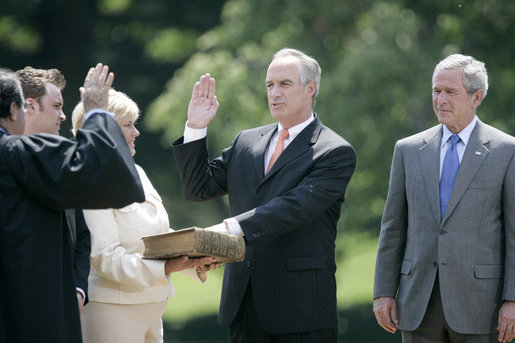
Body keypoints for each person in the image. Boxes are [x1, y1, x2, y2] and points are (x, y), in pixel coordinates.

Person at [172, 48, 356, 342]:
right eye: (270, 85)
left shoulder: (334, 151)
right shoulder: (246, 141)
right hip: (243, 306)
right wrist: (195, 127)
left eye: (285, 84)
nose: (274, 92)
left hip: (300, 311)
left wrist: (230, 227)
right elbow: (198, 188)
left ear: (310, 89)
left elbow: (294, 207)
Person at [373, 54, 515, 343]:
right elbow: (393, 227)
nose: (440, 99)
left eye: (450, 92)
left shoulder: (506, 151)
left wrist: (512, 300)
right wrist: (383, 292)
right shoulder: (407, 150)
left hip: (480, 305)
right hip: (416, 303)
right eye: (436, 91)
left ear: (477, 97)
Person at [0, 64, 145, 343]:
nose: (63, 115)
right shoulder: (15, 154)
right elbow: (111, 181)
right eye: (56, 105)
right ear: (15, 109)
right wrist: (96, 113)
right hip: (29, 316)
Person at [71, 88, 218, 343]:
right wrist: (168, 266)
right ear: (104, 131)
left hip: (153, 307)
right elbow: (106, 258)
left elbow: (157, 237)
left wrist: (196, 256)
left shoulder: (136, 172)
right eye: (128, 125)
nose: (136, 132)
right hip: (112, 313)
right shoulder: (90, 179)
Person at [16, 66, 91, 314]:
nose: (63, 116)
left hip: (63, 313)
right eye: (57, 106)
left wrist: (78, 290)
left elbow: (81, 236)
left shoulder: (64, 164)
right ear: (30, 106)